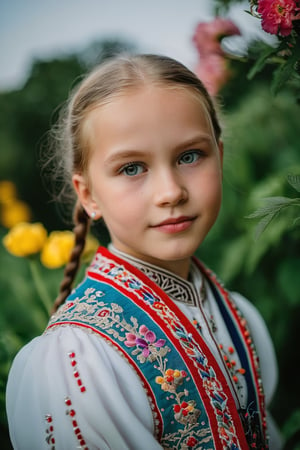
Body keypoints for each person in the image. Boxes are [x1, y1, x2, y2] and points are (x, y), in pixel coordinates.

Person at [6, 53, 282, 450]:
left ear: (219, 157)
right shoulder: (77, 359)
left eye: (190, 156)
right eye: (132, 168)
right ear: (88, 194)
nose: (171, 192)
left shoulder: (239, 318)